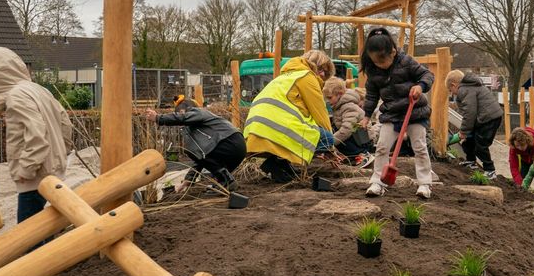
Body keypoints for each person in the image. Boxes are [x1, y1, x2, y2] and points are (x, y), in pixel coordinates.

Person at [0, 47, 75, 223]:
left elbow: (37, 135)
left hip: (35, 178)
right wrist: (61, 153)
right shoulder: (40, 90)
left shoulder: (16, 96)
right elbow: (65, 123)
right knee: (47, 229)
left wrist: (25, 170)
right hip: (54, 170)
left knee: (28, 236)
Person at [360, 28, 435, 198]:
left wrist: (420, 86)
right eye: (375, 62)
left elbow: (427, 74)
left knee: (420, 148)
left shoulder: (406, 61)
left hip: (415, 112)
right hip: (392, 114)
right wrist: (366, 115)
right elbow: (372, 95)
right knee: (381, 147)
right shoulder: (372, 70)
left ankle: (425, 184)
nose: (379, 65)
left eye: (382, 61)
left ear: (393, 52)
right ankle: (377, 182)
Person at [244, 53, 334, 183]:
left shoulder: (284, 77)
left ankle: (279, 165)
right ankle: (278, 162)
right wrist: (331, 148)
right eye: (323, 71)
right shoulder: (307, 77)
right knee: (327, 138)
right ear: (315, 66)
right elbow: (321, 115)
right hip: (274, 131)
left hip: (255, 132)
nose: (323, 76)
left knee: (306, 129)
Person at [147, 96, 246, 190]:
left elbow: (183, 119)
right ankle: (224, 181)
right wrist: (189, 179)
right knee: (205, 162)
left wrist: (158, 118)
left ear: (185, 111)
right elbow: (201, 157)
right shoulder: (197, 129)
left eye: (181, 113)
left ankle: (227, 181)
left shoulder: (198, 112)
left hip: (230, 142)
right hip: (233, 147)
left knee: (192, 151)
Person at [447, 69, 502, 179]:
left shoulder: (464, 90)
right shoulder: (471, 86)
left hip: (489, 119)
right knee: (468, 142)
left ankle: (490, 170)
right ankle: (471, 160)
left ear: (454, 85)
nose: (451, 93)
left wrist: (463, 131)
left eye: (450, 90)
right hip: (485, 118)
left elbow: (470, 113)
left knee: (480, 145)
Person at [322, 76, 375, 167]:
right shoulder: (339, 106)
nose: (327, 101)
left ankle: (362, 154)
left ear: (340, 94)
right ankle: (352, 156)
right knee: (336, 132)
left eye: (330, 97)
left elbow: (347, 128)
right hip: (357, 138)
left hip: (363, 141)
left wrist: (330, 142)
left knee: (341, 136)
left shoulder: (349, 107)